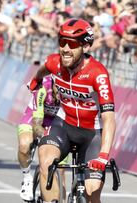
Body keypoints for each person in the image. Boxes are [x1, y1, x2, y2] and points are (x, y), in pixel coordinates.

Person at [28, 18, 116, 203]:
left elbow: (108, 118)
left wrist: (103, 156)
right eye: (62, 42)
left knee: (92, 192)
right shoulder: (55, 62)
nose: (66, 49)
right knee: (45, 161)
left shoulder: (97, 74)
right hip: (64, 125)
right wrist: (35, 81)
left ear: (85, 46)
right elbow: (43, 69)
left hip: (92, 134)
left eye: (72, 44)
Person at [17, 75, 62, 201]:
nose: (60, 94)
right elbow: (37, 124)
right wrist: (44, 137)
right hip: (34, 116)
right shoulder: (43, 88)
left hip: (54, 121)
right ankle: (27, 179)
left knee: (60, 168)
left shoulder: (69, 91)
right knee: (24, 145)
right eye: (58, 89)